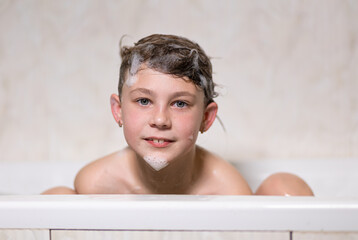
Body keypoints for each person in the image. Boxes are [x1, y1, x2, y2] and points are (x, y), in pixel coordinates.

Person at [42, 34, 313, 196]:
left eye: (180, 104)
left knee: (287, 188)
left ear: (206, 118)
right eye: (144, 100)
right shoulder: (97, 183)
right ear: (118, 111)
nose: (160, 120)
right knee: (56, 199)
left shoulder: (227, 190)